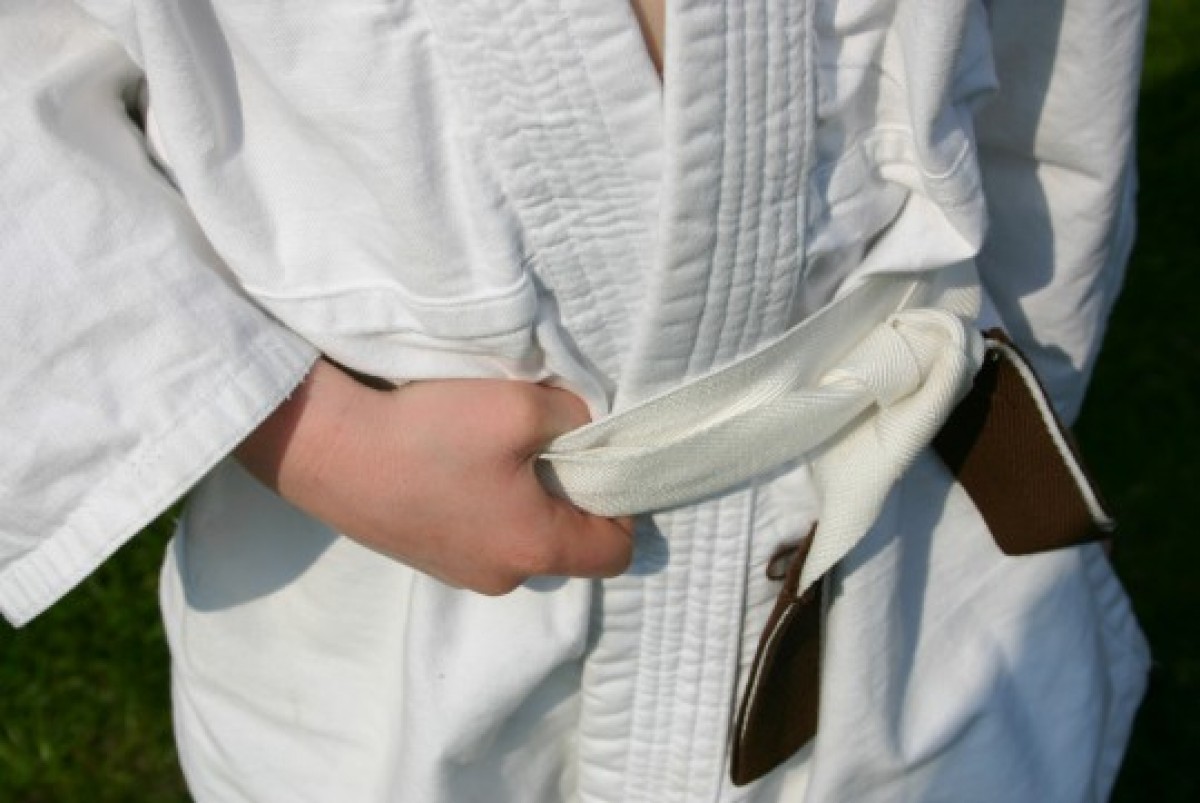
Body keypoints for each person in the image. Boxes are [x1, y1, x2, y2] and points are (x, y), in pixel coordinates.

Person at [0, 0, 1149, 800]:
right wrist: (316, 438)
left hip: (898, 548)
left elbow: (1055, 69)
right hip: (392, 582)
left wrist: (1027, 364)